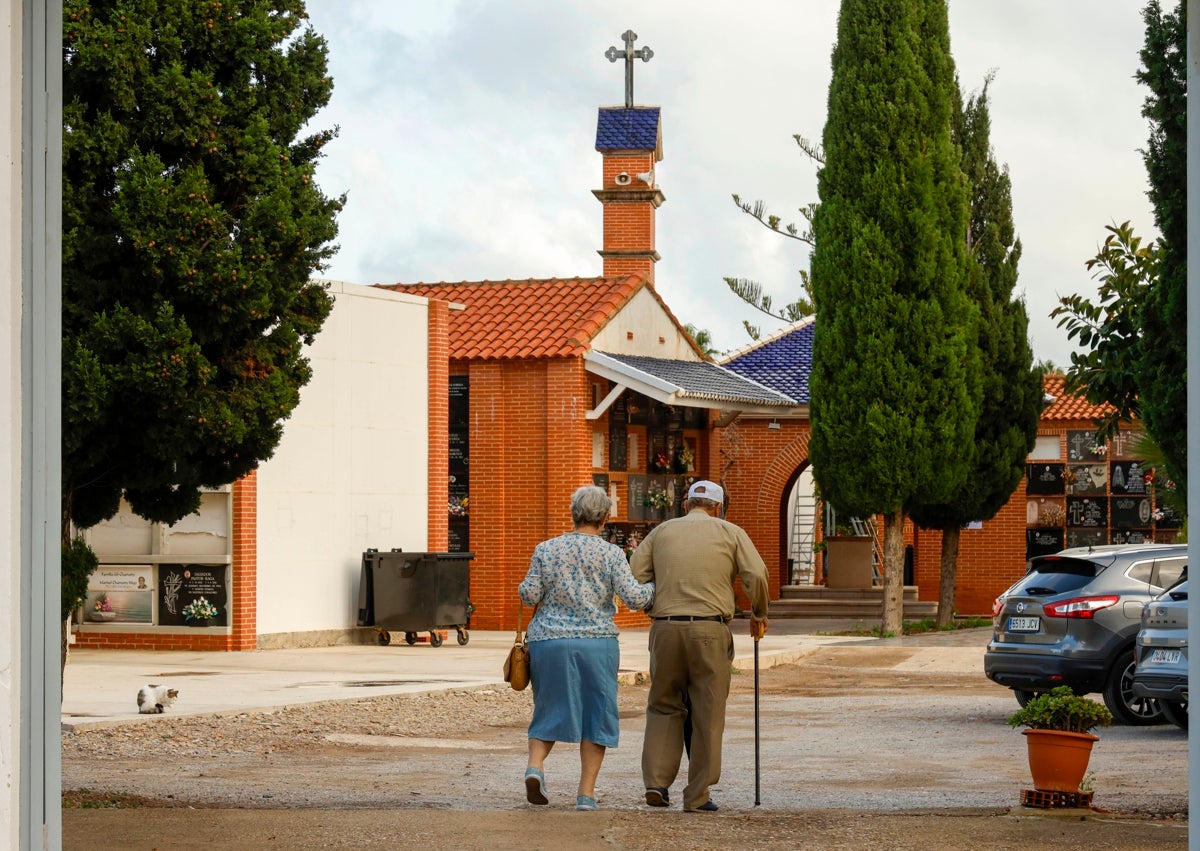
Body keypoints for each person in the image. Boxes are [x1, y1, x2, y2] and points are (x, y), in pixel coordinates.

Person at [629, 479, 769, 812]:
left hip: (665, 629)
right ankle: (696, 795)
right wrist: (759, 613)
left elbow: (634, 573)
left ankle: (657, 784)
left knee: (663, 705)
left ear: (686, 503)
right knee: (707, 713)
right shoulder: (731, 532)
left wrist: (652, 606)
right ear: (718, 508)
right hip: (710, 629)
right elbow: (758, 575)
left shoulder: (661, 532)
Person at [519, 485, 655, 811]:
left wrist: (526, 585)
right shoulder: (611, 554)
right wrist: (653, 587)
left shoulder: (546, 549)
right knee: (597, 714)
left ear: (572, 513)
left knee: (548, 708)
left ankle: (535, 767)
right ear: (606, 518)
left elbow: (529, 595)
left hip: (548, 642)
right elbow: (635, 599)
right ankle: (586, 795)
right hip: (596, 643)